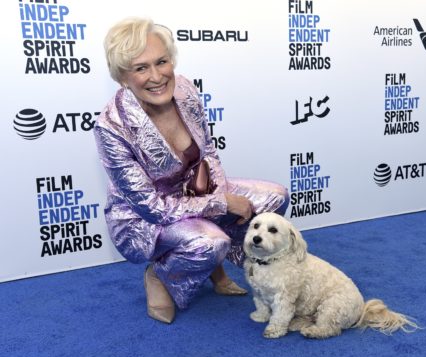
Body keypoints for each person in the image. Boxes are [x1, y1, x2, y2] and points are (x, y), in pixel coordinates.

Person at [94, 17, 289, 324]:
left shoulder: (184, 89)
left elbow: (208, 152)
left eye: (162, 62)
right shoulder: (111, 126)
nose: (157, 76)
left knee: (273, 199)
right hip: (144, 218)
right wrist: (222, 204)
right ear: (122, 77)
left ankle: (216, 263)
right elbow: (152, 207)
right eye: (141, 68)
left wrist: (220, 193)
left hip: (195, 192)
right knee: (210, 243)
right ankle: (159, 274)